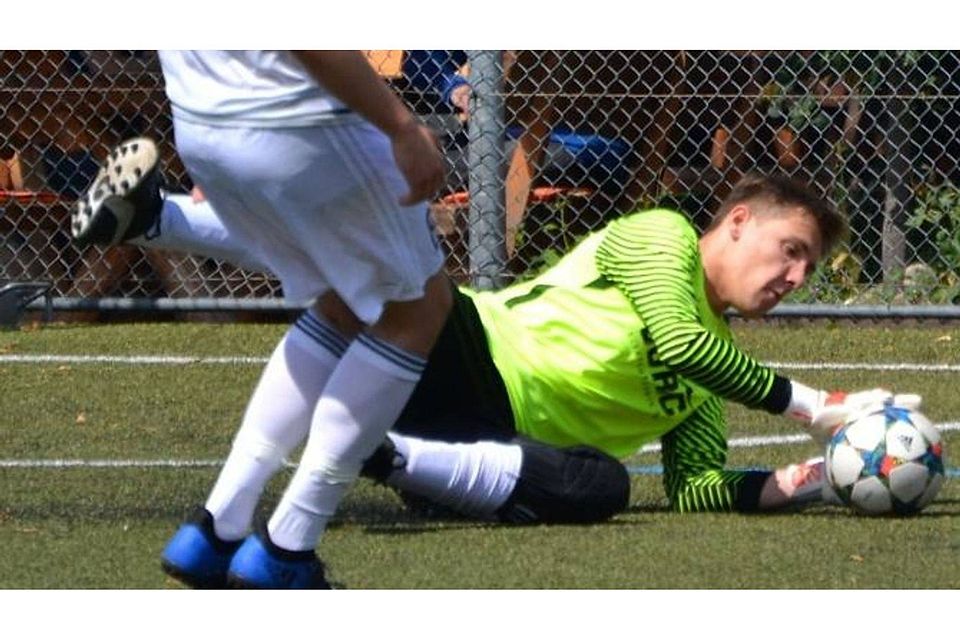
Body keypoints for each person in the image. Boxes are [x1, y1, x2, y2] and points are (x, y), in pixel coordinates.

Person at [74, 154, 920, 549]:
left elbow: (697, 488)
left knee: (606, 485)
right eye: (789, 249)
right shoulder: (662, 240)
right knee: (388, 270)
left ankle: (388, 453)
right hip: (465, 345)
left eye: (808, 266)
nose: (795, 275)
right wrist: (818, 406)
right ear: (737, 223)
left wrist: (814, 475)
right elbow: (679, 342)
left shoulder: (713, 366)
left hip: (485, 443)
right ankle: (161, 219)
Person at [76, 51, 455, 590]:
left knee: (342, 301)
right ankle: (288, 547)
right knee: (417, 309)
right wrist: (402, 125)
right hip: (297, 121)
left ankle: (216, 528)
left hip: (202, 121)